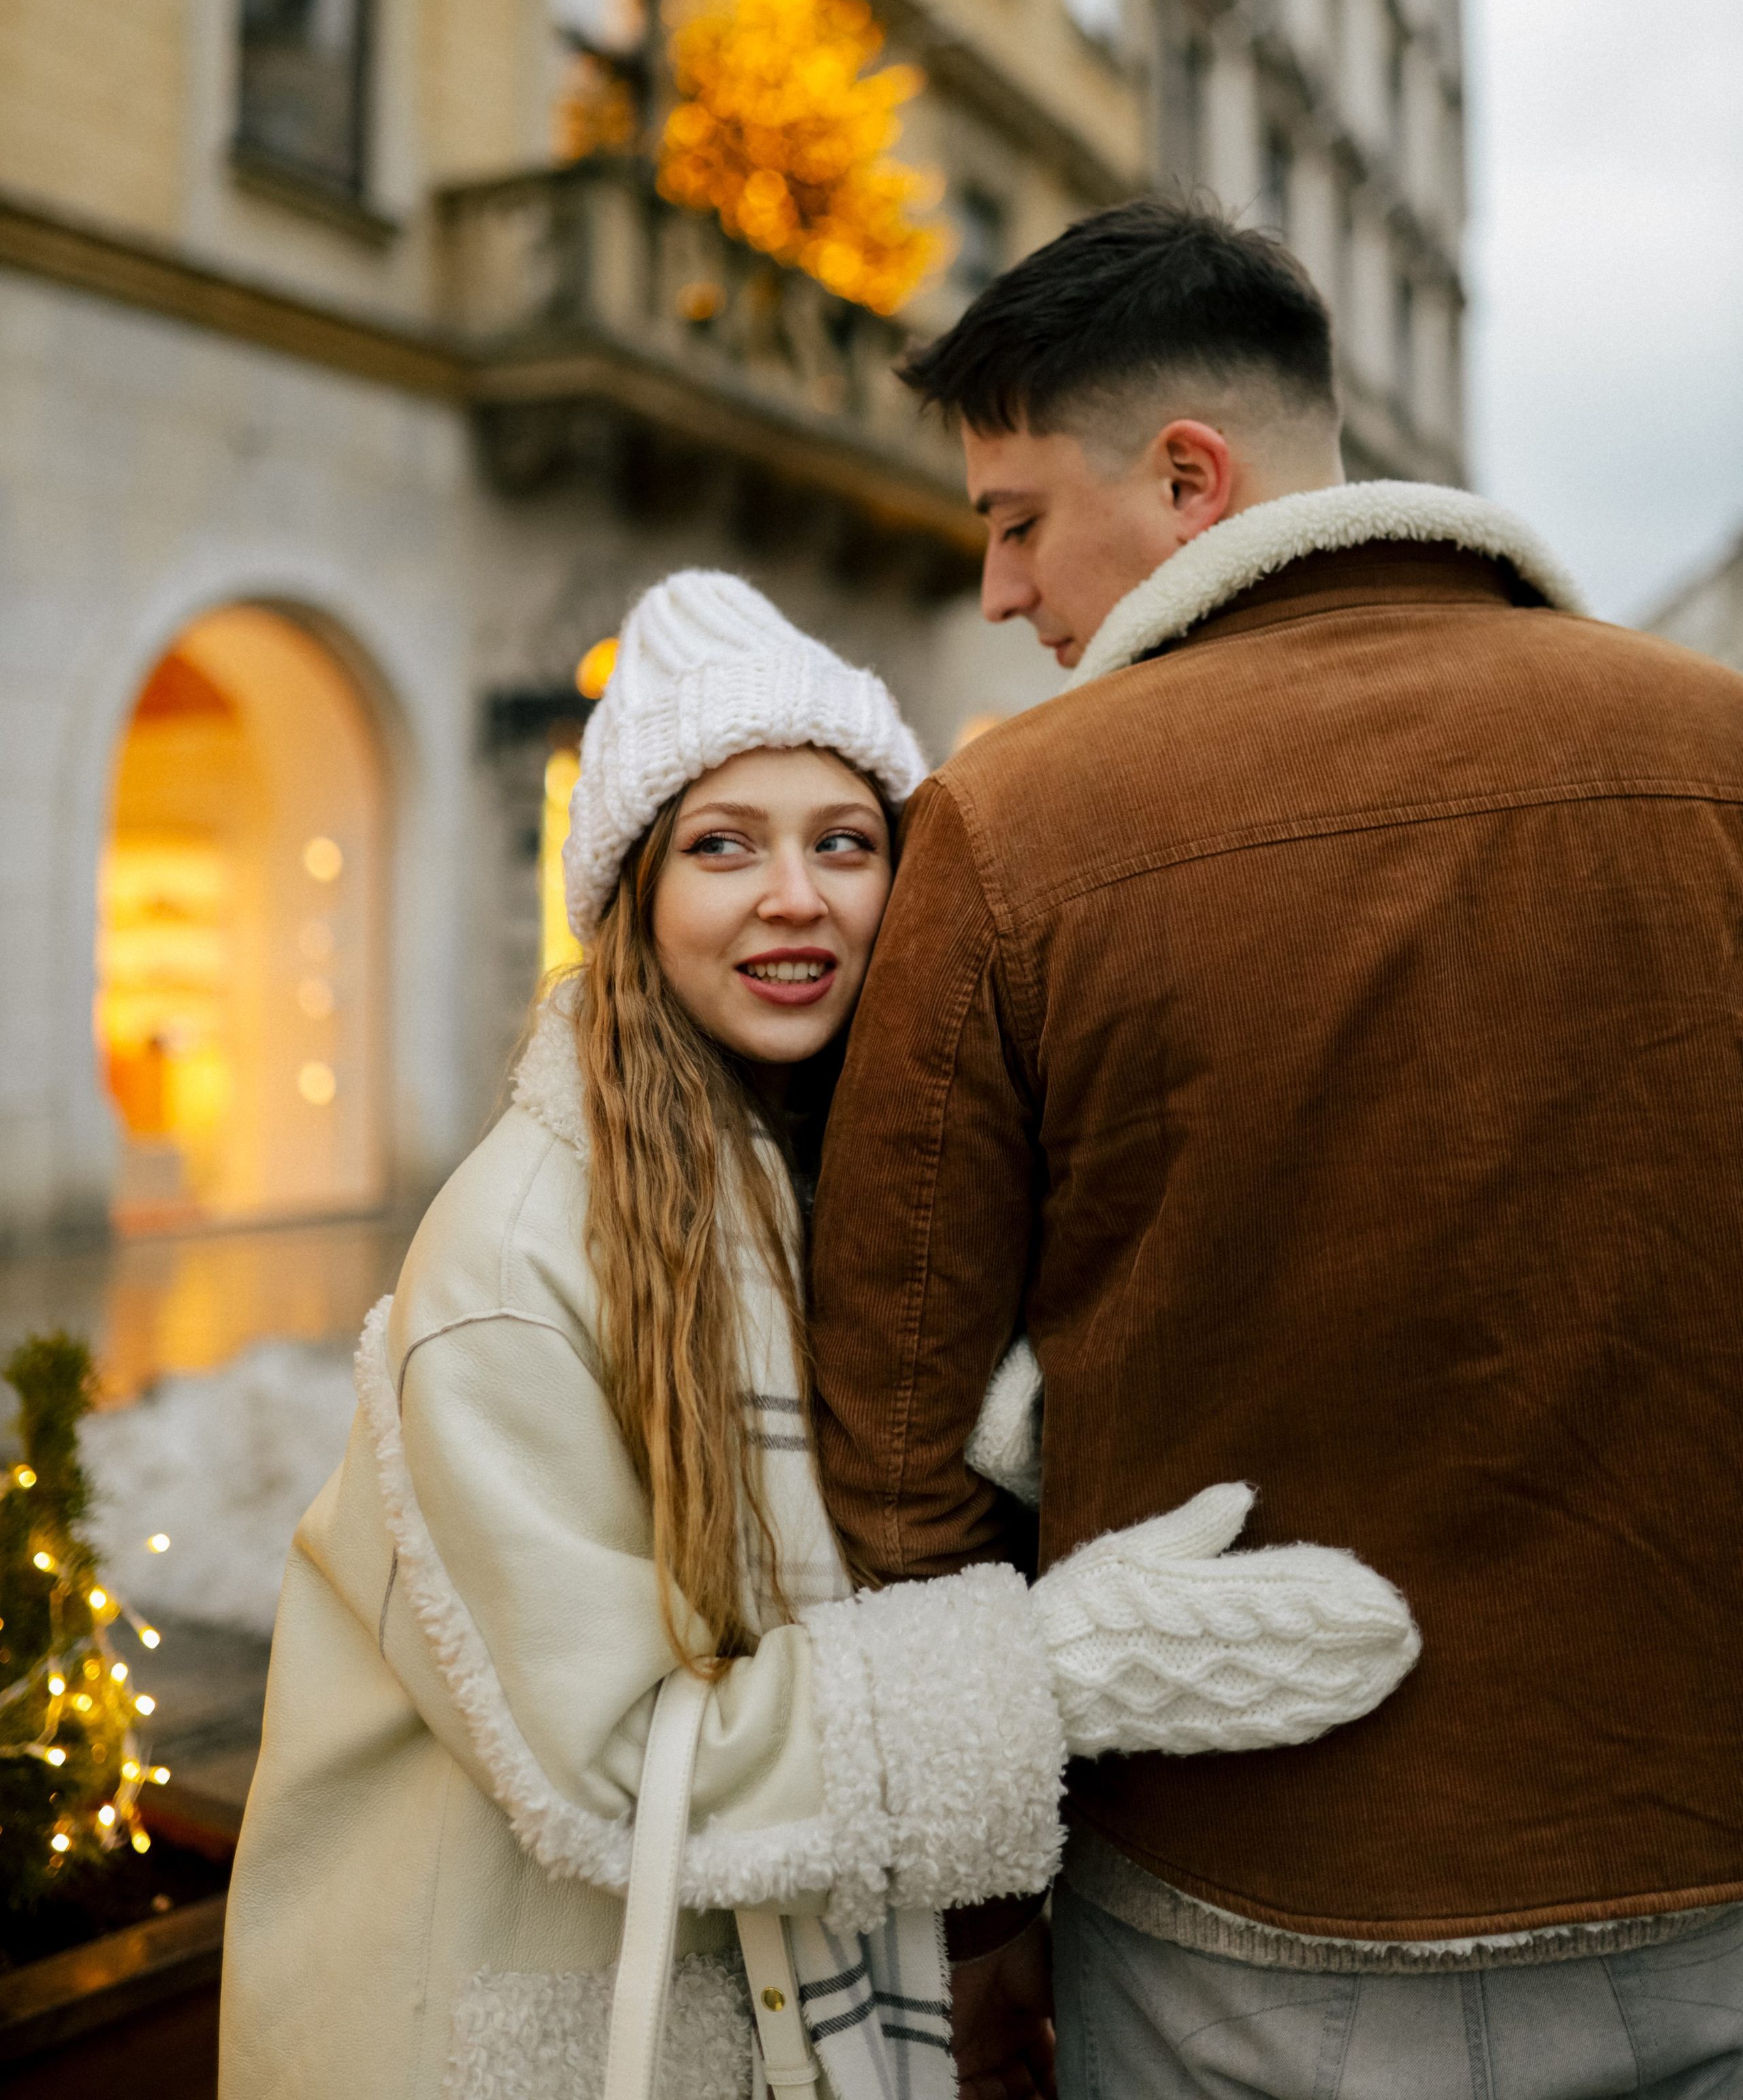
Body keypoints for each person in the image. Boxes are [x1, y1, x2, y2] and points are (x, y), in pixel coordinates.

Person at [217, 568, 1418, 2100]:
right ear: (634, 896)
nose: (795, 896)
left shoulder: (850, 1173)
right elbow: (618, 1763)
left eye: (842, 843)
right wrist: (1052, 1672)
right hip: (497, 2016)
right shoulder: (521, 1248)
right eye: (723, 846)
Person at [809, 199, 1743, 2098]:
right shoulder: (1718, 752)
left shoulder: (1014, 826)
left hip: (1234, 1918)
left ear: (1183, 479)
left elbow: (892, 1445)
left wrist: (983, 1913)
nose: (999, 590)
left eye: (1014, 520)